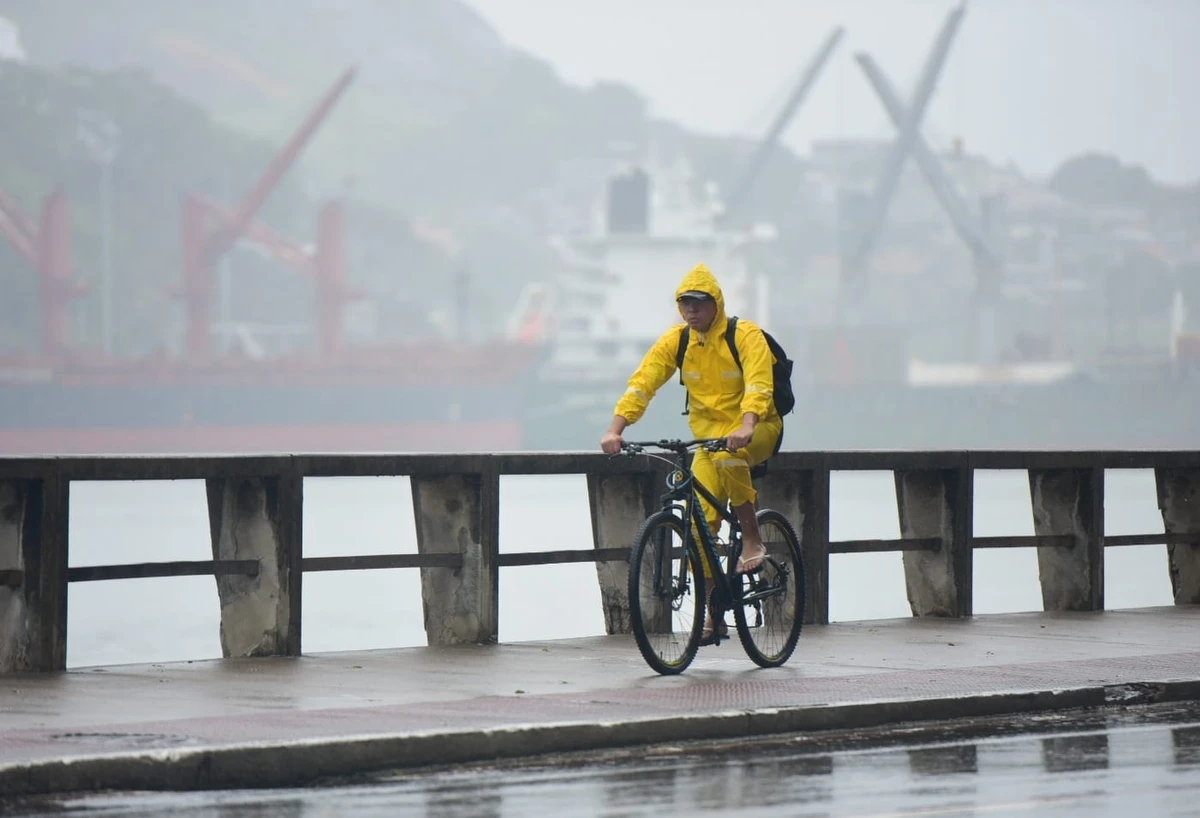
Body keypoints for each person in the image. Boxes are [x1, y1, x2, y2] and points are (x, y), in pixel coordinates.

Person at [600, 263, 783, 641]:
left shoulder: (743, 335)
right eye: (685, 304)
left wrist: (747, 423)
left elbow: (760, 384)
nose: (692, 311)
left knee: (729, 458)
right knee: (698, 525)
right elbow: (643, 382)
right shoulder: (678, 341)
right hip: (707, 438)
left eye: (699, 303)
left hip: (758, 428)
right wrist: (616, 429)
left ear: (716, 303)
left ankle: (752, 537)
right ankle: (714, 614)